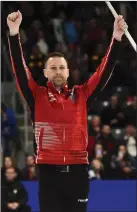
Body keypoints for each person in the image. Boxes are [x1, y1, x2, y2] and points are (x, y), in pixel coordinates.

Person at [7, 10, 127, 212]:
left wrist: (116, 38)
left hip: (78, 172)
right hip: (48, 173)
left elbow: (103, 73)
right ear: (45, 73)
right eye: (53, 68)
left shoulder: (82, 95)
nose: (58, 72)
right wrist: (14, 33)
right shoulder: (36, 95)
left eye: (62, 68)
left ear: (69, 72)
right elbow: (20, 69)